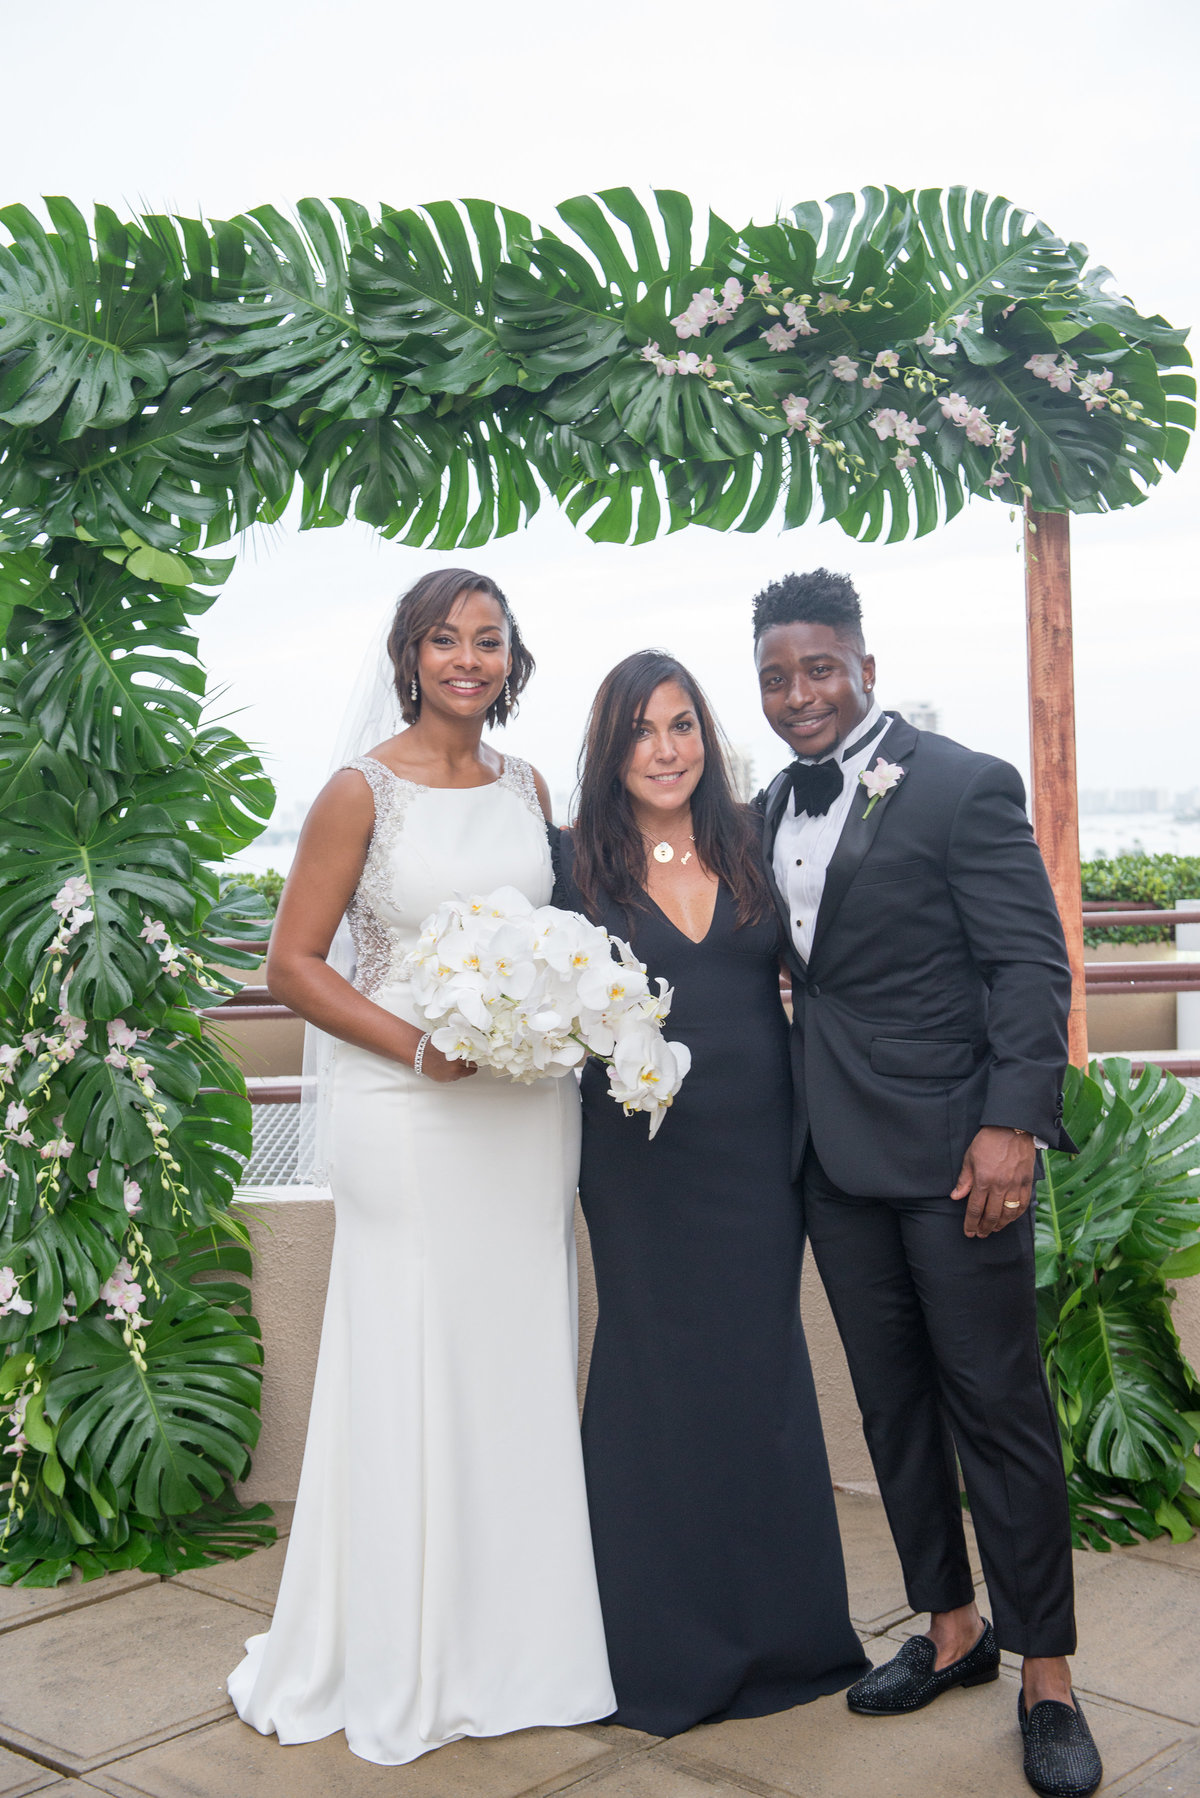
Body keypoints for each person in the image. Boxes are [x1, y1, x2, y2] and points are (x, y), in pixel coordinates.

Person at [227, 569, 614, 1766]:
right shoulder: (359, 791)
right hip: (413, 1109)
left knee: (515, 1356)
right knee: (413, 1353)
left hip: (526, 1116)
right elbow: (293, 964)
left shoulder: (530, 785)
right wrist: (420, 1045)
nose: (467, 658)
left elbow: (553, 943)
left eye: (488, 641)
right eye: (445, 639)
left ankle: (525, 1645)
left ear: (511, 659)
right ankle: (400, 1642)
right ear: (410, 653)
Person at [752, 569, 1102, 1798]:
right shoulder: (761, 812)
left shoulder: (961, 784)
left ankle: (1047, 1673)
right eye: (777, 676)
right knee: (893, 1406)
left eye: (819, 669)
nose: (799, 694)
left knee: (998, 1410)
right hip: (833, 1165)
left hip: (959, 1159)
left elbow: (1030, 964)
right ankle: (951, 1627)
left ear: (865, 667)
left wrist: (1014, 1125)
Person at [553, 649, 869, 1737]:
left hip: (757, 1154)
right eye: (642, 730)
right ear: (610, 748)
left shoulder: (749, 840)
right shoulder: (570, 866)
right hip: (639, 1161)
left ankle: (789, 1635)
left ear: (706, 735)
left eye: (682, 725)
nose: (666, 749)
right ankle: (654, 1649)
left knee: (761, 1374)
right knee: (652, 1376)